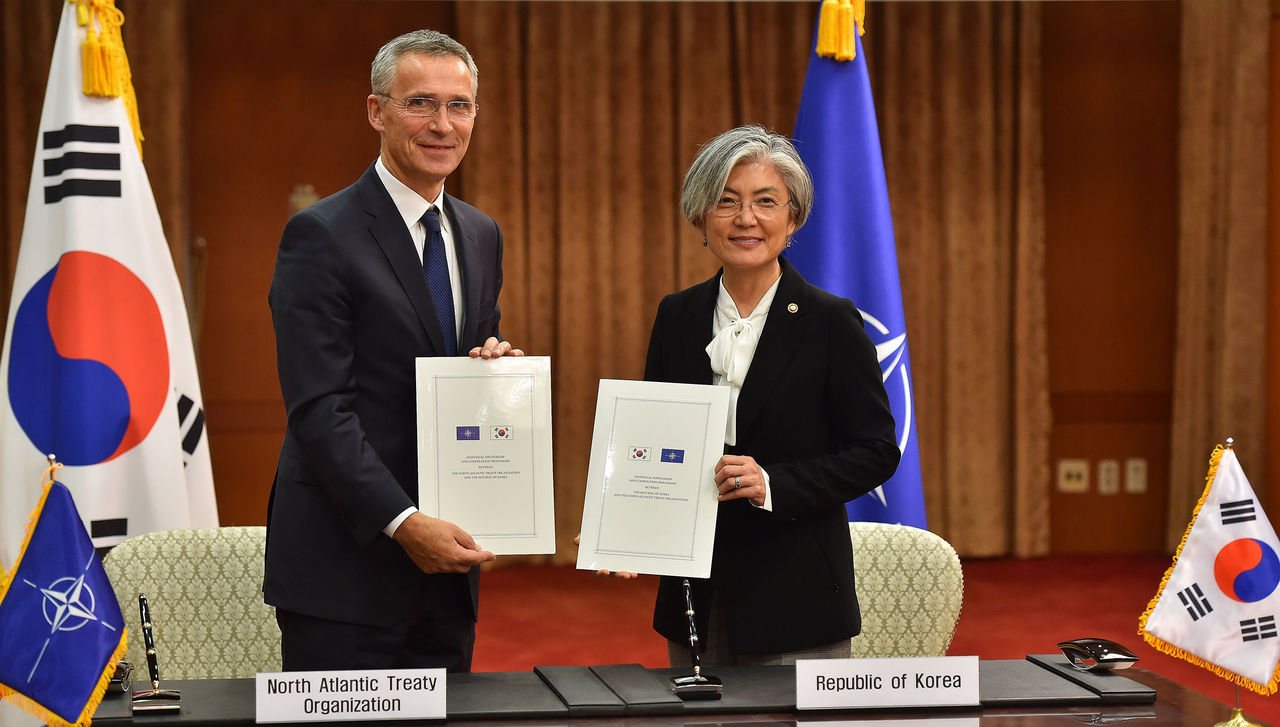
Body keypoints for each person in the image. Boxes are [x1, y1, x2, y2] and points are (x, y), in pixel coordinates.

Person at [264, 29, 520, 672]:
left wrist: (493, 377)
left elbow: (456, 376)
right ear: (377, 111)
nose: (443, 125)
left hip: (447, 574)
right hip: (345, 571)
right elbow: (320, 408)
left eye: (459, 106)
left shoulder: (479, 233)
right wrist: (405, 523)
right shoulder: (320, 234)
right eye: (421, 104)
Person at [645, 125, 901, 665]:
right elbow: (656, 438)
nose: (746, 219)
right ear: (699, 217)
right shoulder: (677, 316)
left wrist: (772, 483)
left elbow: (876, 450)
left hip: (797, 595)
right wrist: (627, 525)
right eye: (726, 201)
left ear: (794, 219)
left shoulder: (831, 321)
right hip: (697, 594)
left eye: (766, 202)